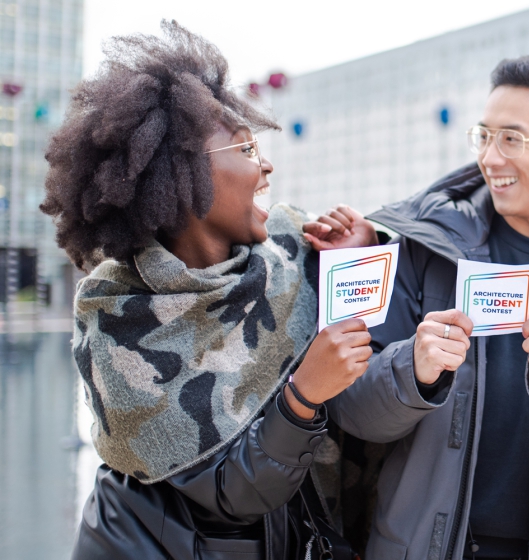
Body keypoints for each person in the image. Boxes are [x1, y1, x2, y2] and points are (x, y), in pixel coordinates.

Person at [40, 21, 378, 559]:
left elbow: (365, 369)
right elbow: (233, 494)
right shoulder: (118, 314)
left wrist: (354, 261)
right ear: (181, 179)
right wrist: (303, 394)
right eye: (245, 148)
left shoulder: (295, 254)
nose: (266, 164)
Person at [327, 55, 529, 560]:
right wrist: (415, 370)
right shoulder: (425, 249)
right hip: (417, 545)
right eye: (484, 136)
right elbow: (351, 409)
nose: (490, 158)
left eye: (512, 139)